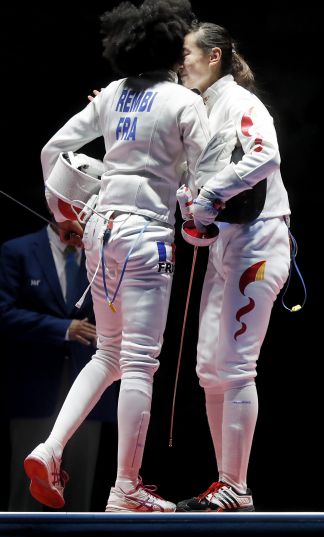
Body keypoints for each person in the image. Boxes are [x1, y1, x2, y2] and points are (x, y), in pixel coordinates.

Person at [24, 0, 210, 513]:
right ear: (172, 48)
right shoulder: (183, 101)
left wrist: (62, 214)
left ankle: (50, 448)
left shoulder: (112, 94)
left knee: (108, 354)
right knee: (138, 363)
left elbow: (50, 151)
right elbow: (205, 178)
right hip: (147, 238)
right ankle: (126, 487)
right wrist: (199, 215)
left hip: (99, 233)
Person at [175, 22, 291, 512]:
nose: (181, 63)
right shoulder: (199, 111)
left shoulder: (242, 102)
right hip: (226, 246)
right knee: (209, 368)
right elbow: (198, 186)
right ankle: (227, 484)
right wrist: (194, 213)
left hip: (258, 244)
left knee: (237, 366)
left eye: (187, 53)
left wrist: (210, 195)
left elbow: (266, 155)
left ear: (214, 56)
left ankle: (236, 488)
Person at [0, 222, 117, 511]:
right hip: (35, 388)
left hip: (90, 386)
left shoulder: (104, 254)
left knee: (79, 492)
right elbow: (2, 313)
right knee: (27, 489)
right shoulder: (19, 250)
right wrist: (63, 328)